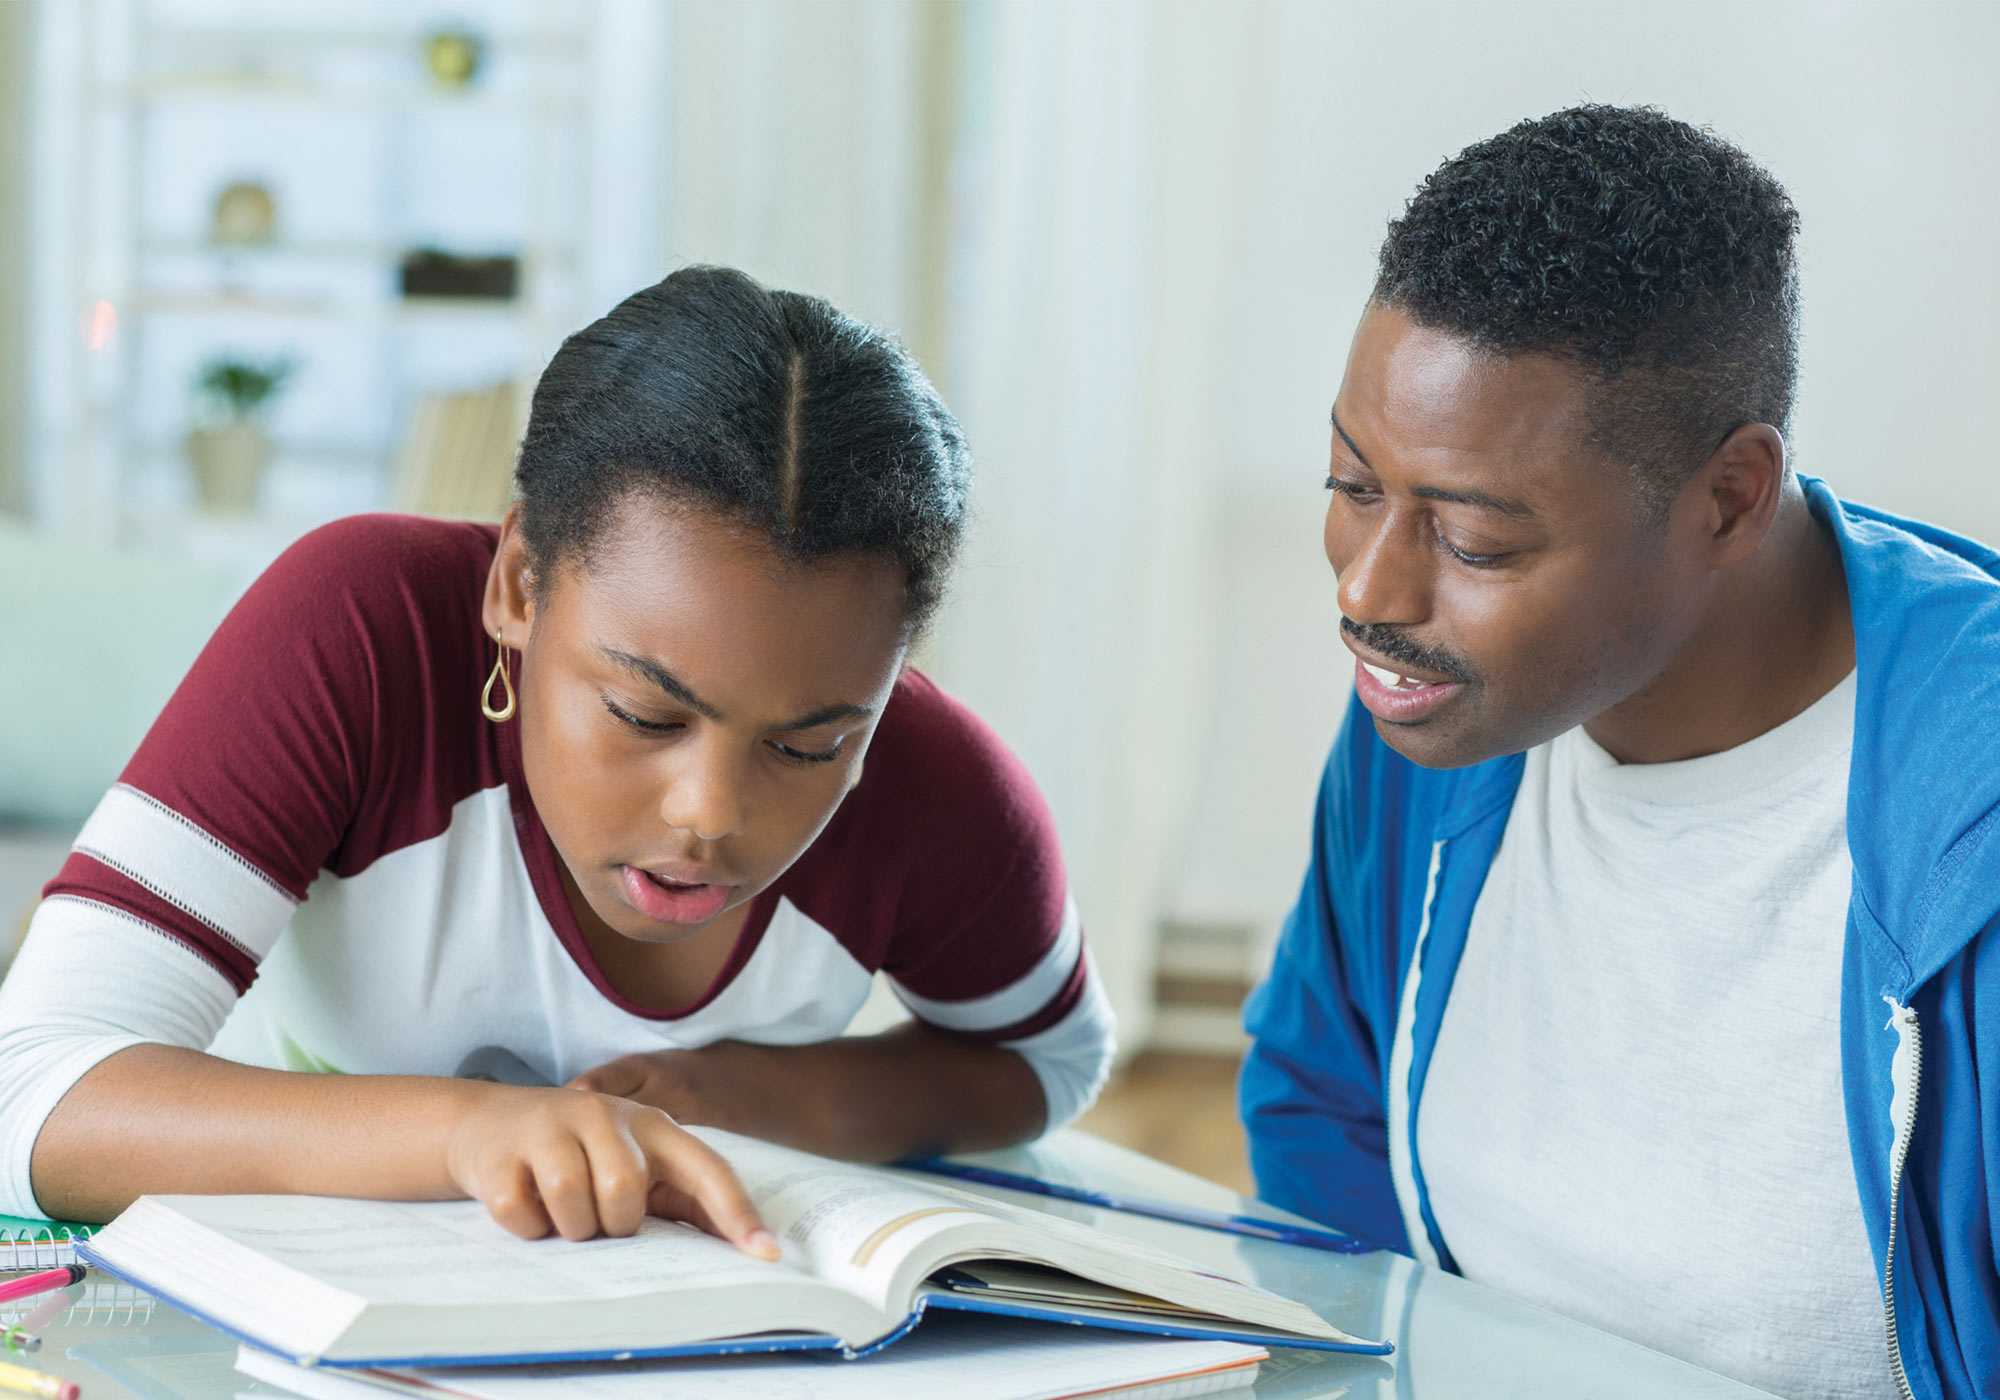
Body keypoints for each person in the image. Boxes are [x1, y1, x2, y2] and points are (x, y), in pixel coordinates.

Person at [0, 266, 1114, 1252]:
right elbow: (32, 1086)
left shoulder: (933, 781)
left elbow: (1051, 1060)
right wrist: (468, 1128)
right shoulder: (359, 627)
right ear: (520, 581)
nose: (709, 811)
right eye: (642, 711)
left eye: (807, 743)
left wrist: (759, 1093)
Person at [1239, 105, 1999, 1400]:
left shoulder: (1965, 842)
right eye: (1352, 485)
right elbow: (1321, 1106)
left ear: (1730, 498)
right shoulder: (1444, 706)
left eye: (1475, 542)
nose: (1369, 590)